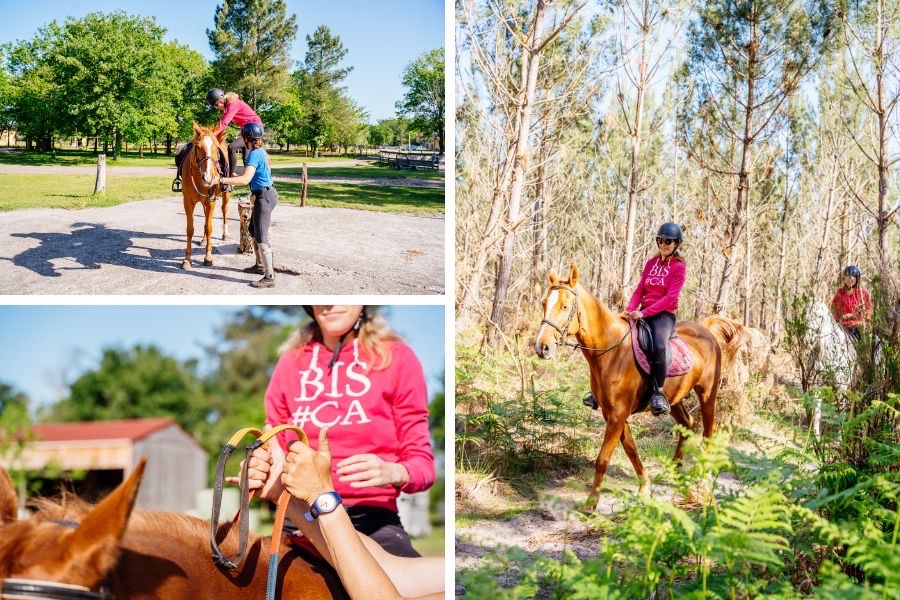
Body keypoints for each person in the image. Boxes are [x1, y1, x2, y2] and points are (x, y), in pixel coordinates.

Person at [264, 305, 435, 557]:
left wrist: (395, 471)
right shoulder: (290, 362)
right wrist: (259, 466)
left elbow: (423, 464)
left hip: (372, 520)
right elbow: (272, 447)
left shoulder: (397, 357)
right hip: (301, 518)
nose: (330, 304)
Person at [242, 427, 444, 600]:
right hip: (314, 516)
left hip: (371, 516)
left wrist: (321, 495)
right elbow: (391, 572)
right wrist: (285, 496)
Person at [624, 222, 687, 417]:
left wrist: (644, 313)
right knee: (620, 337)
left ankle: (658, 392)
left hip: (663, 315)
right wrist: (630, 309)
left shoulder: (679, 267)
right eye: (660, 240)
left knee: (659, 345)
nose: (664, 244)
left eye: (668, 241)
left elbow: (670, 297)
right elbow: (640, 290)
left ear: (676, 244)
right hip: (643, 311)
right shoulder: (651, 263)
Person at [218, 122, 277, 288]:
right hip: (266, 193)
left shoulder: (253, 154)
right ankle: (259, 266)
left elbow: (245, 180)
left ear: (246, 138)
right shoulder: (262, 152)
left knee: (262, 236)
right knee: (252, 231)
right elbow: (256, 175)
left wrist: (221, 179)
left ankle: (269, 277)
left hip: (264, 197)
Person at [171, 89, 263, 193]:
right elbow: (221, 125)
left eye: (216, 105)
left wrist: (212, 135)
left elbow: (224, 123)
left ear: (220, 99)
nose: (216, 108)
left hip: (255, 130)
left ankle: (230, 178)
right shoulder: (228, 107)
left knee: (232, 148)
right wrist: (213, 138)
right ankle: (252, 188)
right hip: (249, 131)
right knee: (247, 160)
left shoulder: (233, 104)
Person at [830, 265, 872, 342]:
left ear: (857, 279)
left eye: (853, 277)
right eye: (848, 277)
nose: (850, 279)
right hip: (841, 325)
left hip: (856, 326)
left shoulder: (863, 293)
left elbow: (868, 311)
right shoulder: (840, 292)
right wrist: (840, 317)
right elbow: (834, 308)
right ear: (844, 278)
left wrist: (853, 316)